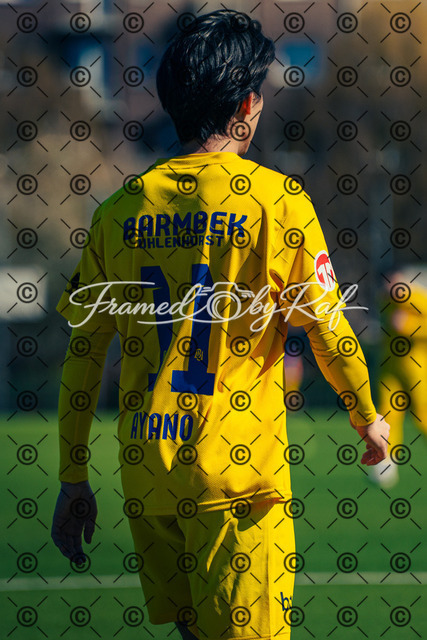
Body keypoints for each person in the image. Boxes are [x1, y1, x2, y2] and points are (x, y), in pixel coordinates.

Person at [51, 10, 390, 639]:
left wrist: (73, 475)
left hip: (149, 475)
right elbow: (327, 328)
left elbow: (84, 353)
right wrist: (366, 414)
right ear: (246, 105)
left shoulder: (118, 211)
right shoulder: (276, 201)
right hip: (236, 484)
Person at [373, 268, 427, 487]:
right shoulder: (384, 301)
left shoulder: (418, 298)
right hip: (390, 367)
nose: (391, 288)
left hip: (417, 368)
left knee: (422, 415)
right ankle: (386, 464)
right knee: (387, 415)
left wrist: (409, 326)